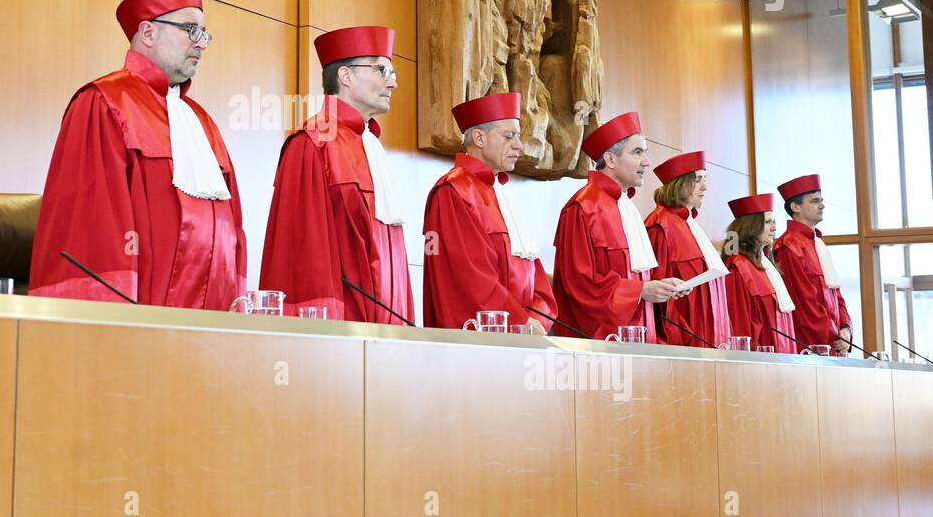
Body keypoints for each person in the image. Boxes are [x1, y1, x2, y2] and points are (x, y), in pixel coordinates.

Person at [29, 0, 246, 308]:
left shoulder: (203, 124)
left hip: (212, 334)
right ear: (147, 32)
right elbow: (91, 231)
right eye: (190, 30)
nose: (200, 43)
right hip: (138, 327)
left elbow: (235, 236)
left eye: (203, 34)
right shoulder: (103, 103)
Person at [260, 26, 413, 323]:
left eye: (392, 73)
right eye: (382, 70)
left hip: (388, 331)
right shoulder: (312, 143)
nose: (392, 83)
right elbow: (306, 255)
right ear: (346, 76)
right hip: (344, 332)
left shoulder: (372, 147)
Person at [422, 93, 555, 332]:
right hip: (482, 339)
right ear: (479, 138)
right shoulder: (454, 191)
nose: (519, 145)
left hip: (524, 335)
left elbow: (535, 274)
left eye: (518, 135)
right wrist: (519, 322)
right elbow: (469, 277)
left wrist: (539, 315)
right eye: (508, 136)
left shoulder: (502, 194)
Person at [551, 111, 687, 340]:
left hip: (641, 335)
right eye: (637, 152)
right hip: (604, 346)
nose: (647, 161)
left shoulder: (627, 208)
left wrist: (661, 288)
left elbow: (636, 277)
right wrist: (640, 291)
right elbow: (578, 285)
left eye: (645, 152)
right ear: (611, 159)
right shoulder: (583, 208)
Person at [644, 150, 731, 347]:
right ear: (680, 183)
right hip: (686, 340)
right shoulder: (661, 225)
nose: (705, 187)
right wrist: (682, 340)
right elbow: (660, 295)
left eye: (705, 179)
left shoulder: (688, 224)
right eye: (698, 179)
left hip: (707, 336)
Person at [772, 174, 853, 355]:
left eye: (821, 200)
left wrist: (846, 329)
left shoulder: (818, 244)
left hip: (833, 344)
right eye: (815, 201)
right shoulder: (789, 246)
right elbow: (804, 306)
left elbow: (837, 296)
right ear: (795, 207)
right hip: (811, 348)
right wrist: (834, 337)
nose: (822, 205)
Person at [723, 193, 796, 353]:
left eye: (774, 222)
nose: (774, 228)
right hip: (760, 358)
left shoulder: (766, 263)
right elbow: (739, 322)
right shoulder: (738, 267)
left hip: (781, 354)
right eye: (768, 222)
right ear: (751, 226)